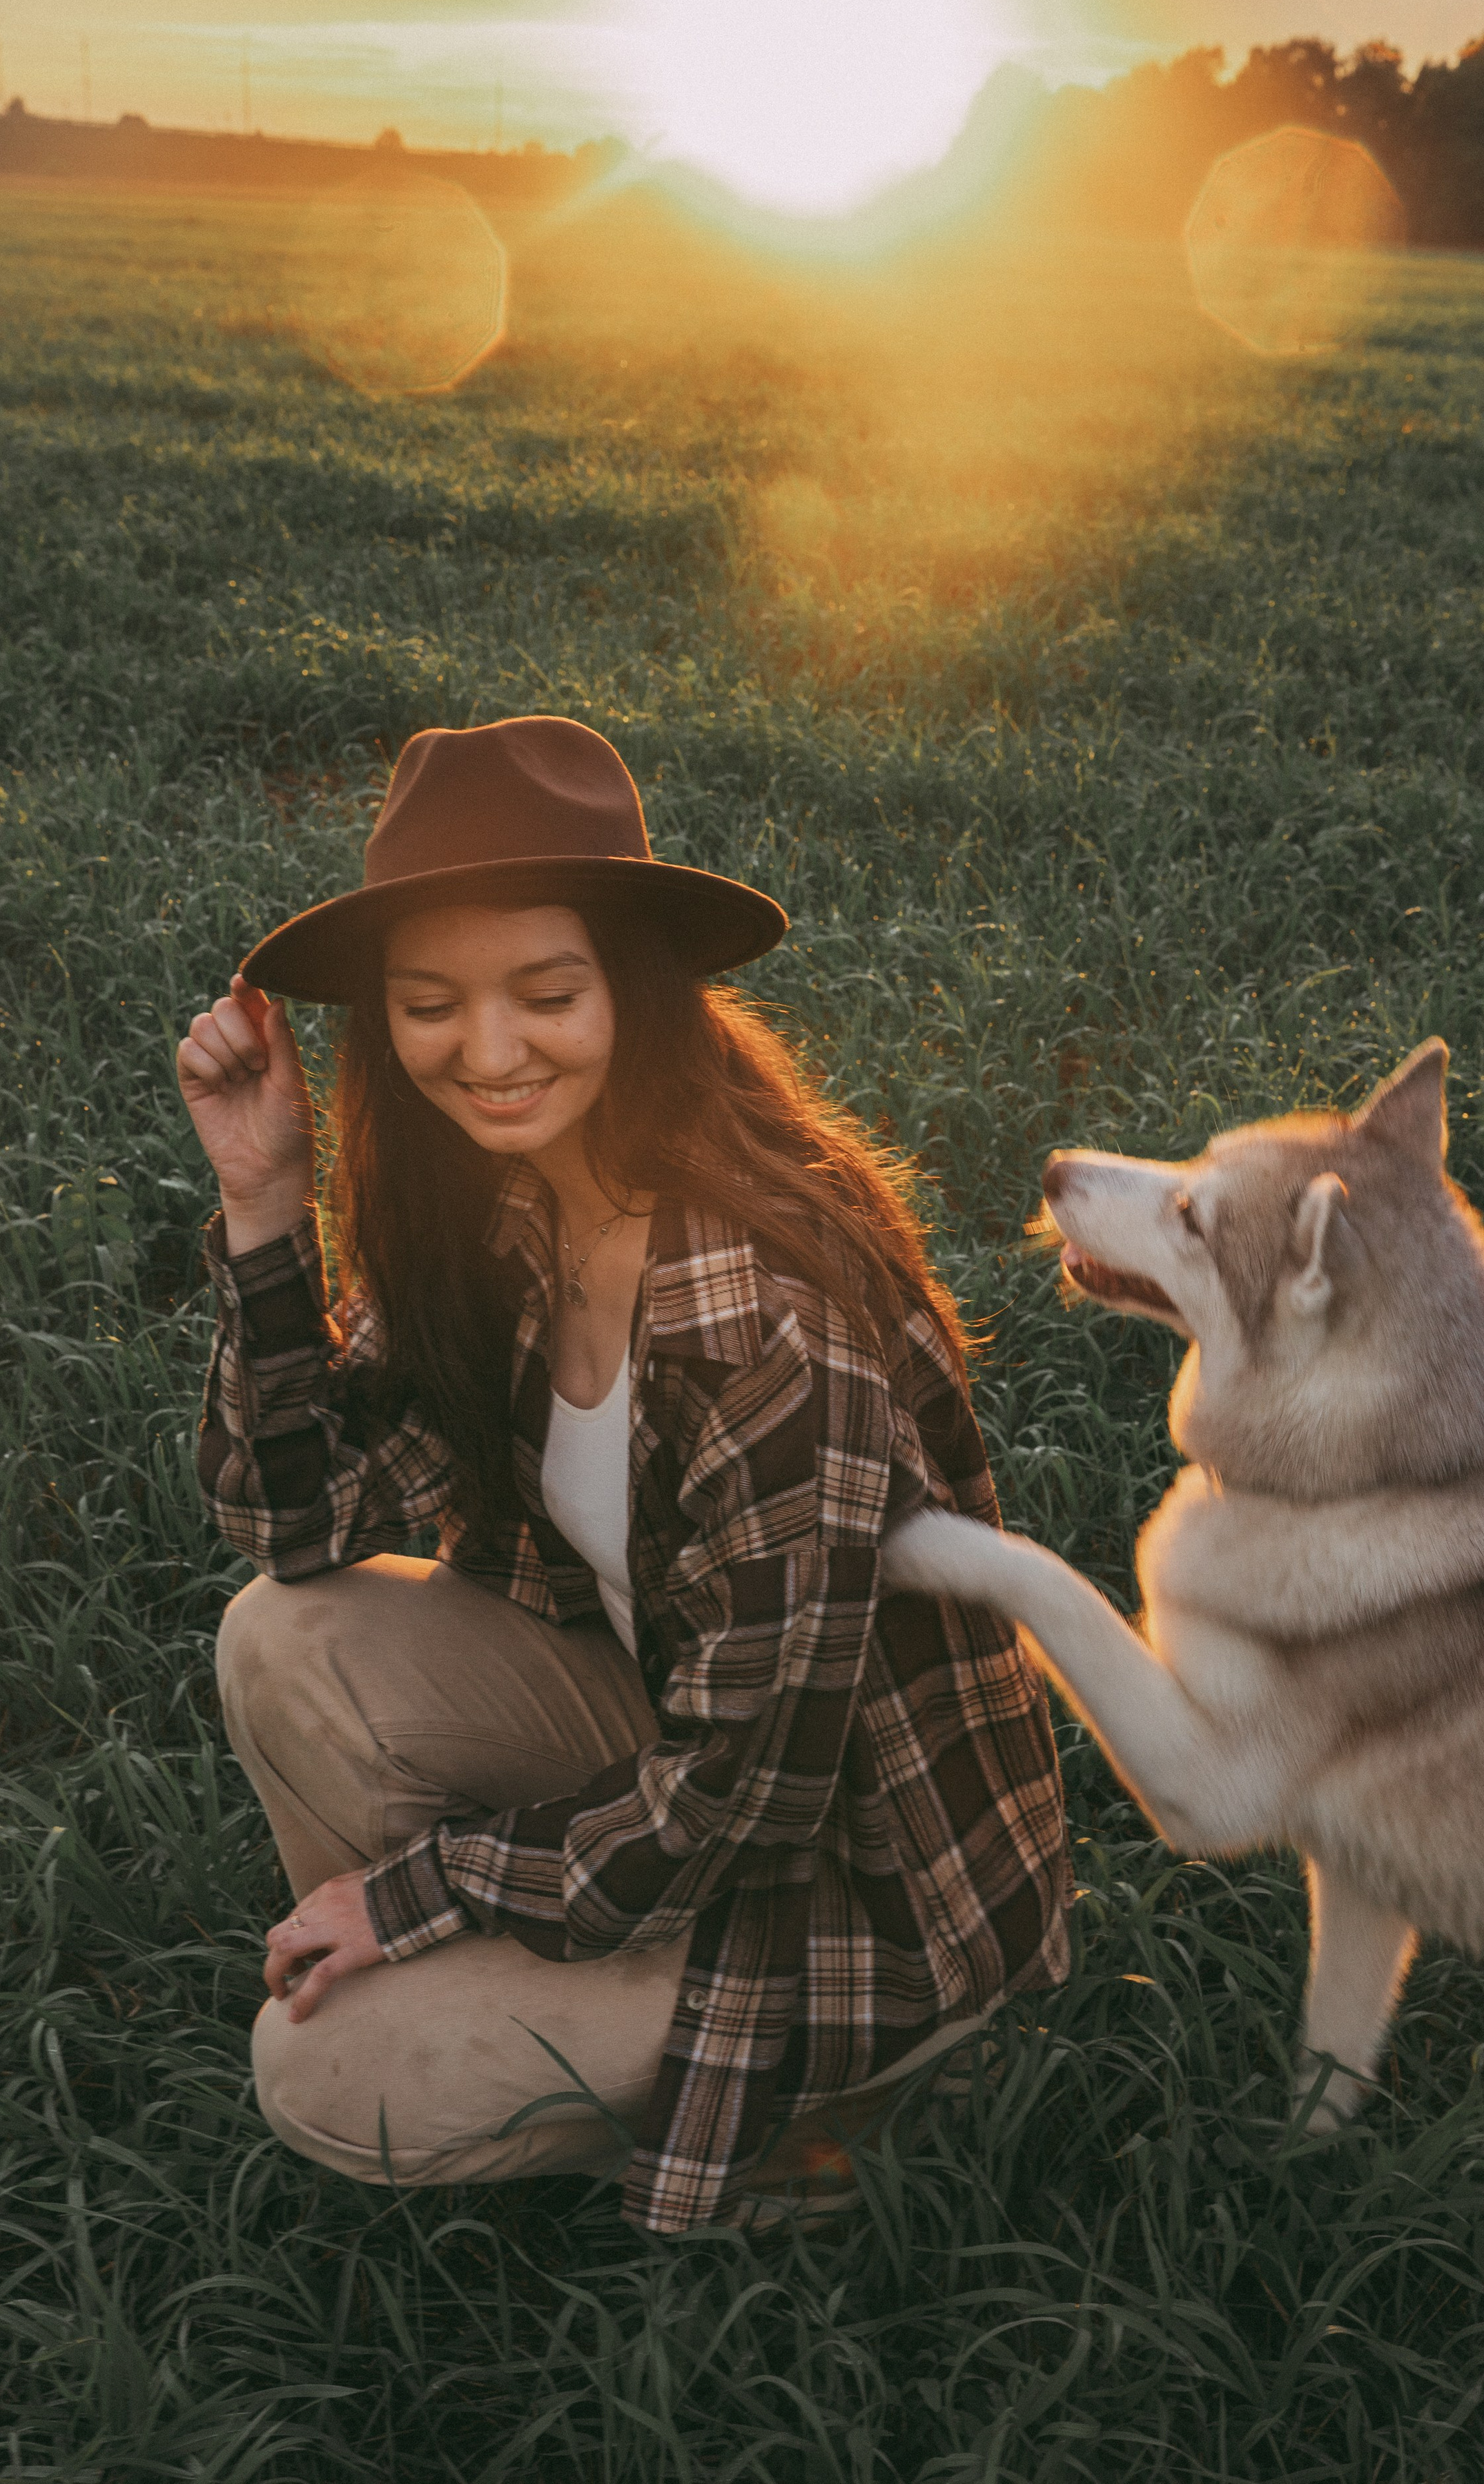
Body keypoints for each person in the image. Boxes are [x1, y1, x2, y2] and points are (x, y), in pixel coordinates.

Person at [177, 715, 1070, 2235]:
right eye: (431, 1004)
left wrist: (408, 1892)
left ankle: (857, 2108)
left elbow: (753, 1796)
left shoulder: (765, 1330)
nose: (491, 1050)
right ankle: (504, 1983)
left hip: (854, 1880)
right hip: (670, 1740)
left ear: (632, 994)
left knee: (320, 2078)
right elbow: (293, 1521)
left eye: (546, 993)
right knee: (279, 1632)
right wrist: (264, 1201)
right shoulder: (504, 1211)